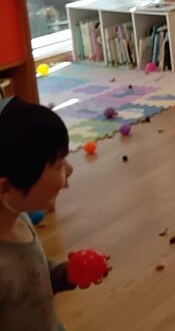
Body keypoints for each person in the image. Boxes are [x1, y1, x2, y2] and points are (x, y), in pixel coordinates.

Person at [0, 97, 108, 330]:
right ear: (5, 188)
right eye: (58, 166)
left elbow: (32, 275)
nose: (69, 169)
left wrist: (65, 274)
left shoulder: (20, 220)